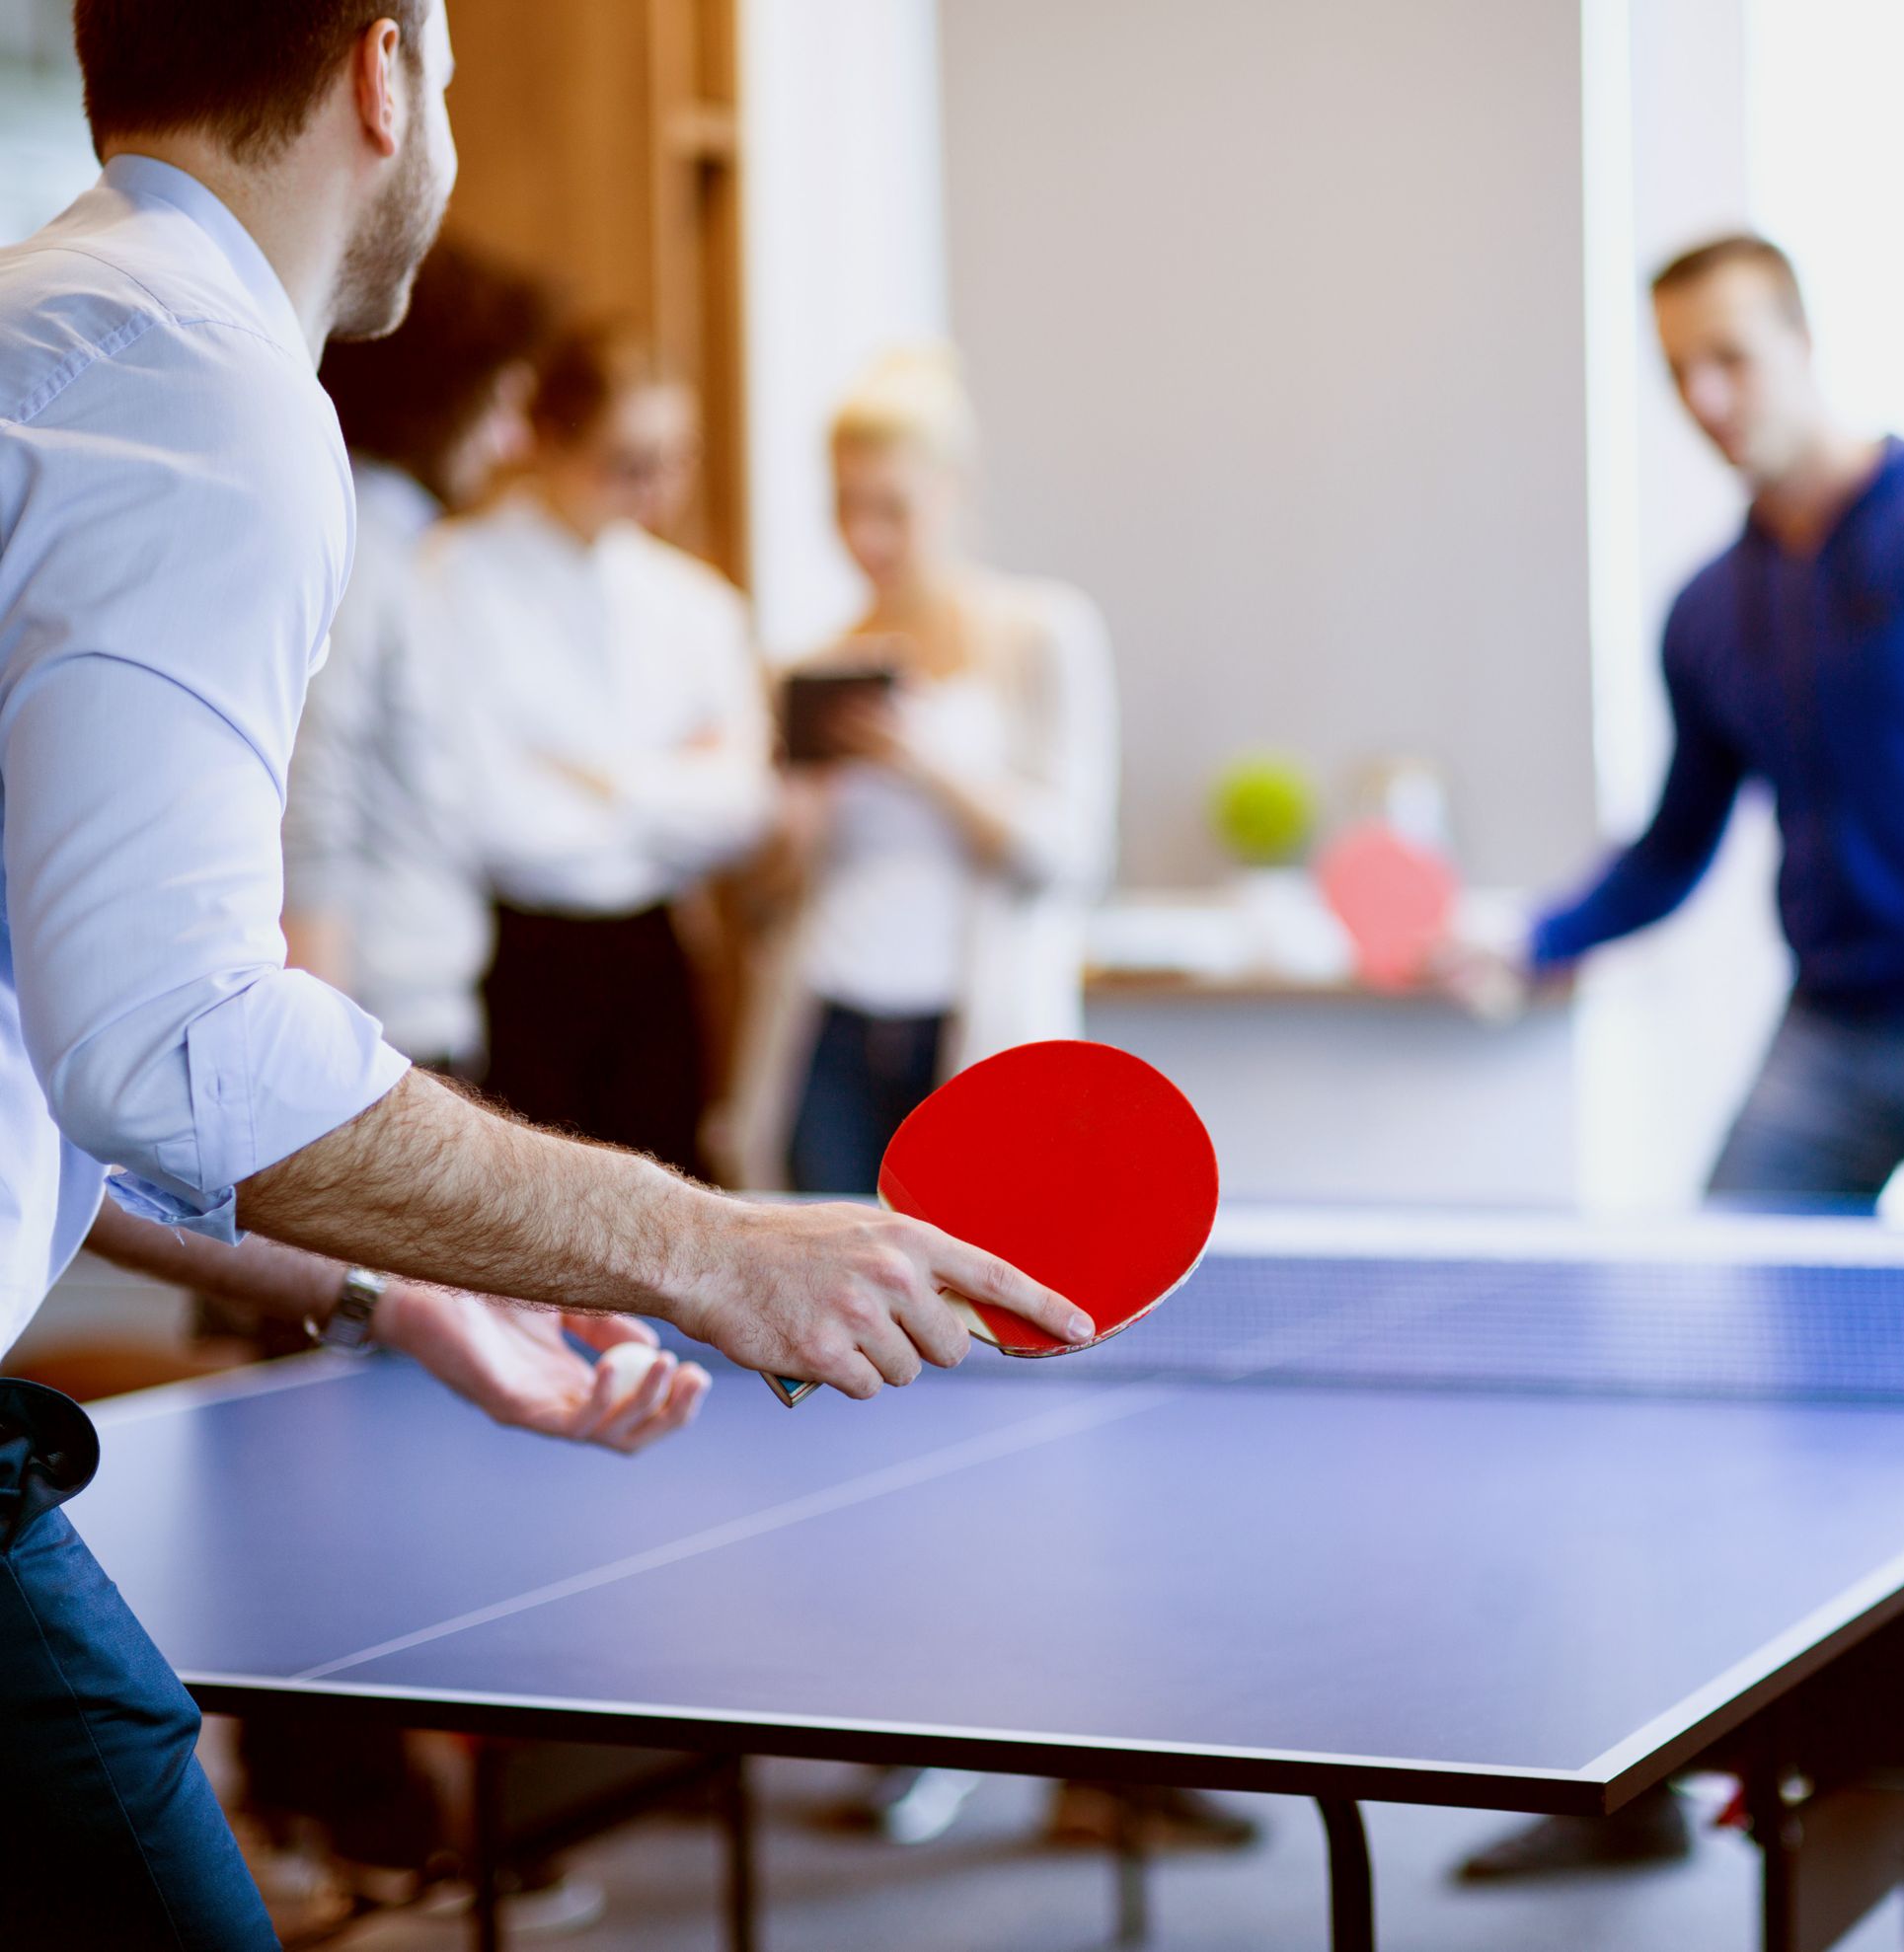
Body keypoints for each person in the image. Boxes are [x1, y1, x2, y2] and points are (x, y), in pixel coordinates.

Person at [0, 8, 1092, 1947]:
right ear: (385, 69)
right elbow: (166, 1048)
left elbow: (49, 1045)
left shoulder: (51, 331)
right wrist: (709, 1245)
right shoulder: (196, 379)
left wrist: (395, 1283)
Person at [1454, 233, 1904, 1881]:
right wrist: (1531, 940)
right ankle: (1657, 1788)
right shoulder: (1712, 609)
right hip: (1825, 1034)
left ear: (1805, 342)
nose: (1708, 396)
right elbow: (1674, 846)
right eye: (1680, 368)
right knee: (1694, 1389)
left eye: (1735, 356)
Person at [725, 346, 1119, 1196]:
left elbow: (1073, 856)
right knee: (829, 1297)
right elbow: (764, 900)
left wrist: (920, 760)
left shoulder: (1042, 634)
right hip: (824, 1025)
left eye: (892, 508)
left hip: (974, 1029)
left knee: (971, 1284)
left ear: (954, 489)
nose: (867, 538)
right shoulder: (808, 666)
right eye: (847, 507)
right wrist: (797, 823)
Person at [419, 322, 769, 1174]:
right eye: (626, 462)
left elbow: (744, 808)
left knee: (671, 1218)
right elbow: (493, 818)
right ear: (546, 442)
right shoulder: (451, 580)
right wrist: (675, 782)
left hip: (657, 959)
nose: (655, 490)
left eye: (675, 459)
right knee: (524, 1229)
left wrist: (609, 781)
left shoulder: (695, 603)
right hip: (517, 953)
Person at [282, 234, 553, 1079]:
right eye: (501, 403)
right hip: (378, 1030)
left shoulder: (403, 550)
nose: (511, 441)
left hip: (409, 1016)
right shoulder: (363, 554)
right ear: (442, 394)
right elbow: (314, 792)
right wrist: (319, 1066)